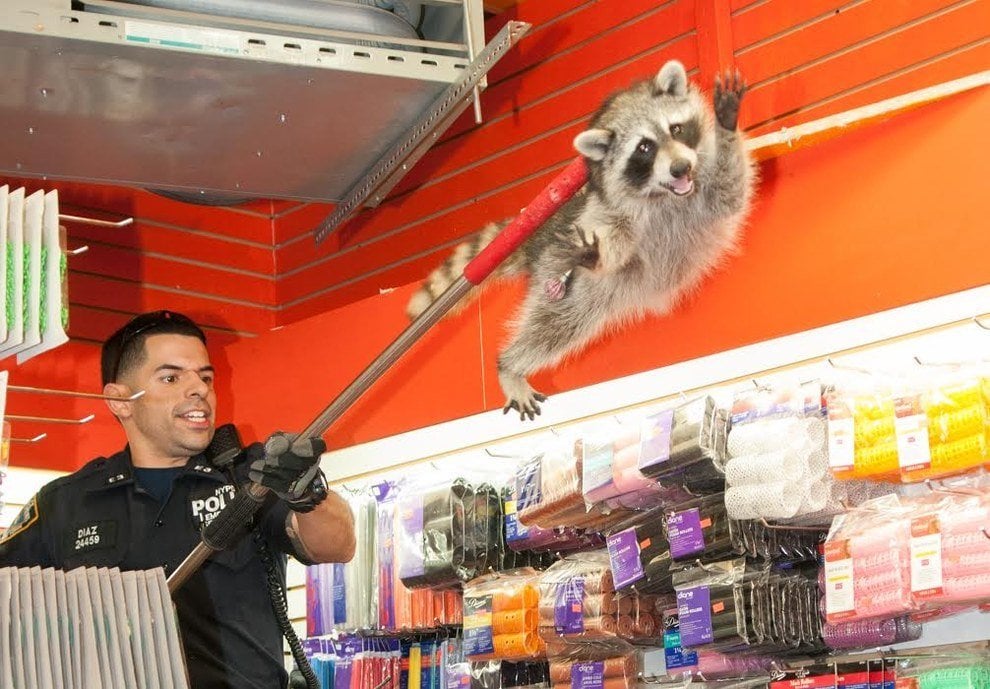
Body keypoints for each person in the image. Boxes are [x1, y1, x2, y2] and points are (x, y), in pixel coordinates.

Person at [0, 310, 356, 688]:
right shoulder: (65, 503)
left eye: (205, 377)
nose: (199, 388)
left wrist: (307, 493)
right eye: (171, 377)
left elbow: (337, 544)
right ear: (120, 401)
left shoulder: (250, 475)